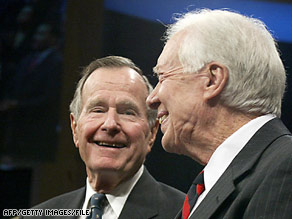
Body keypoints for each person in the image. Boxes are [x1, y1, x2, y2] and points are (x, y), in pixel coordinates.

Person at [146, 9, 292, 219]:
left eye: (163, 77)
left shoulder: (284, 168)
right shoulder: (210, 185)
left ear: (212, 80)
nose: (152, 98)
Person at [22, 56, 185, 219]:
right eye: (98, 110)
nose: (110, 124)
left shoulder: (187, 214)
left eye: (128, 112)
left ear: (152, 132)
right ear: (74, 128)